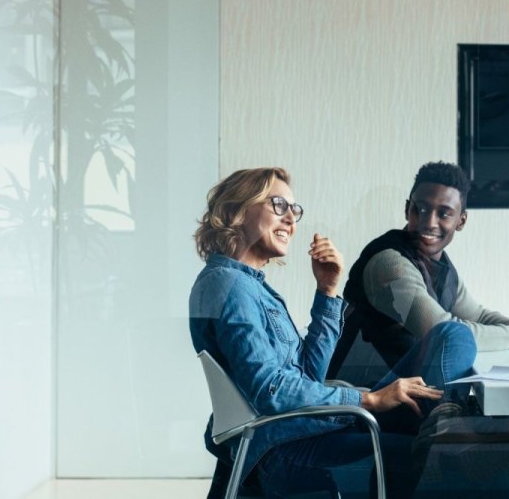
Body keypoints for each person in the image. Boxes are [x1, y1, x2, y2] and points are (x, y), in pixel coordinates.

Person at [189, 167, 477, 499]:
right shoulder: (230, 284)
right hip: (287, 445)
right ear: (236, 210)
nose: (291, 221)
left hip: (310, 426)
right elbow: (269, 389)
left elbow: (311, 376)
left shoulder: (250, 287)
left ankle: (444, 427)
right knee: (440, 459)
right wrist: (368, 399)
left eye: (294, 211)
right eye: (279, 205)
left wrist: (327, 290)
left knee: (452, 336)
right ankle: (447, 433)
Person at [330, 161, 509, 379]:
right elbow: (445, 333)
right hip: (365, 397)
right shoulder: (389, 265)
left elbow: (477, 315)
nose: (429, 222)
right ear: (407, 209)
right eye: (420, 209)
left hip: (404, 391)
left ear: (461, 221)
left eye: (444, 213)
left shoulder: (440, 264)